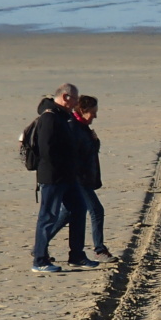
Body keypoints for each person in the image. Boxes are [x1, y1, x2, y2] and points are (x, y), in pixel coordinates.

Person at [31, 83, 98, 273]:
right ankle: (40, 260)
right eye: (75, 99)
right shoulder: (50, 117)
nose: (77, 103)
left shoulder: (63, 116)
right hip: (53, 177)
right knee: (48, 216)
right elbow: (47, 150)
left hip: (68, 176)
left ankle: (76, 255)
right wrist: (64, 165)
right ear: (66, 97)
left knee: (78, 208)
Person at [46, 95, 116, 263]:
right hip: (76, 179)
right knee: (96, 210)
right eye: (93, 112)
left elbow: (88, 152)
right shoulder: (73, 127)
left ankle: (40, 245)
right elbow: (74, 156)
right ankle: (99, 250)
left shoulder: (82, 127)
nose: (95, 116)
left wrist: (95, 142)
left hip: (81, 178)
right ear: (83, 111)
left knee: (67, 213)